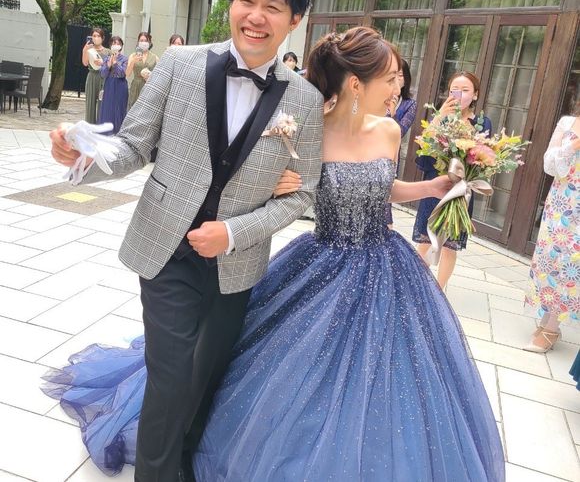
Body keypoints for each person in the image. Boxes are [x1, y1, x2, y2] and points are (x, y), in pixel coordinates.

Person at [44, 28, 505, 481]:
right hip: (325, 259)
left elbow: (383, 186)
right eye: (390, 79)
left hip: (385, 260)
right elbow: (265, 180)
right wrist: (280, 185)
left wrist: (433, 187)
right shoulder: (309, 127)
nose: (397, 89)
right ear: (355, 84)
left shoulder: (388, 131)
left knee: (392, 373)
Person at [46, 0, 322, 482]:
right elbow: (135, 144)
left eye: (273, 6)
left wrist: (234, 232)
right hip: (165, 246)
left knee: (205, 376)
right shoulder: (180, 64)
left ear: (294, 20)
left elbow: (301, 193)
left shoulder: (305, 100)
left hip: (235, 264)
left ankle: (183, 466)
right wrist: (86, 155)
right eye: (247, 0)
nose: (256, 16)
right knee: (170, 376)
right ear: (231, 4)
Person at [413, 71, 492, 290]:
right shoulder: (440, 118)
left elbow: (480, 155)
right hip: (436, 183)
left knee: (450, 245)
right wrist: (439, 118)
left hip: (461, 188)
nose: (459, 95)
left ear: (475, 95)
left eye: (465, 90)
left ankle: (439, 291)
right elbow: (424, 152)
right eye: (454, 90)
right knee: (425, 239)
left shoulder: (482, 122)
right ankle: (416, 289)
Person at [523, 102, 580, 353]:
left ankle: (553, 327)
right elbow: (549, 164)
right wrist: (572, 146)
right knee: (549, 260)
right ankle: (547, 318)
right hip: (559, 205)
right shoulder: (567, 122)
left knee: (570, 265)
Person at [386, 57, 417, 227]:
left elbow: (400, 131)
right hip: (369, 148)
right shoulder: (378, 96)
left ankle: (387, 228)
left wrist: (392, 114)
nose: (397, 80)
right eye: (394, 75)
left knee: (386, 191)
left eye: (401, 75)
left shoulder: (409, 104)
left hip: (391, 152)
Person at [98, 36, 129, 134]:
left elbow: (122, 74)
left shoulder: (125, 59)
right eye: (114, 43)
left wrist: (115, 64)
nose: (116, 45)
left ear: (121, 46)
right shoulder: (106, 58)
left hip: (120, 86)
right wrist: (108, 65)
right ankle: (105, 132)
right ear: (110, 45)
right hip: (109, 85)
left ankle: (117, 132)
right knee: (107, 108)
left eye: (118, 43)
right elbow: (102, 74)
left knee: (119, 108)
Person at [82, 28, 110, 123]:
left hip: (103, 78)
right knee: (90, 103)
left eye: (98, 36)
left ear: (103, 38)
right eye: (94, 36)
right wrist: (85, 49)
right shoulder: (89, 50)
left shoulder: (108, 51)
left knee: (102, 103)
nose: (96, 38)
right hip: (92, 77)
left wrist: (103, 63)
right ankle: (89, 126)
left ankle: (100, 126)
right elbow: (85, 63)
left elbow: (111, 66)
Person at [126, 31, 159, 110]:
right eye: (141, 40)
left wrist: (150, 76)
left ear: (150, 42)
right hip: (136, 86)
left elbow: (158, 75)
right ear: (138, 42)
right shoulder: (133, 55)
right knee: (133, 109)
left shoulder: (155, 57)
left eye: (146, 40)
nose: (144, 42)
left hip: (148, 86)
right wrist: (133, 61)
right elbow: (127, 74)